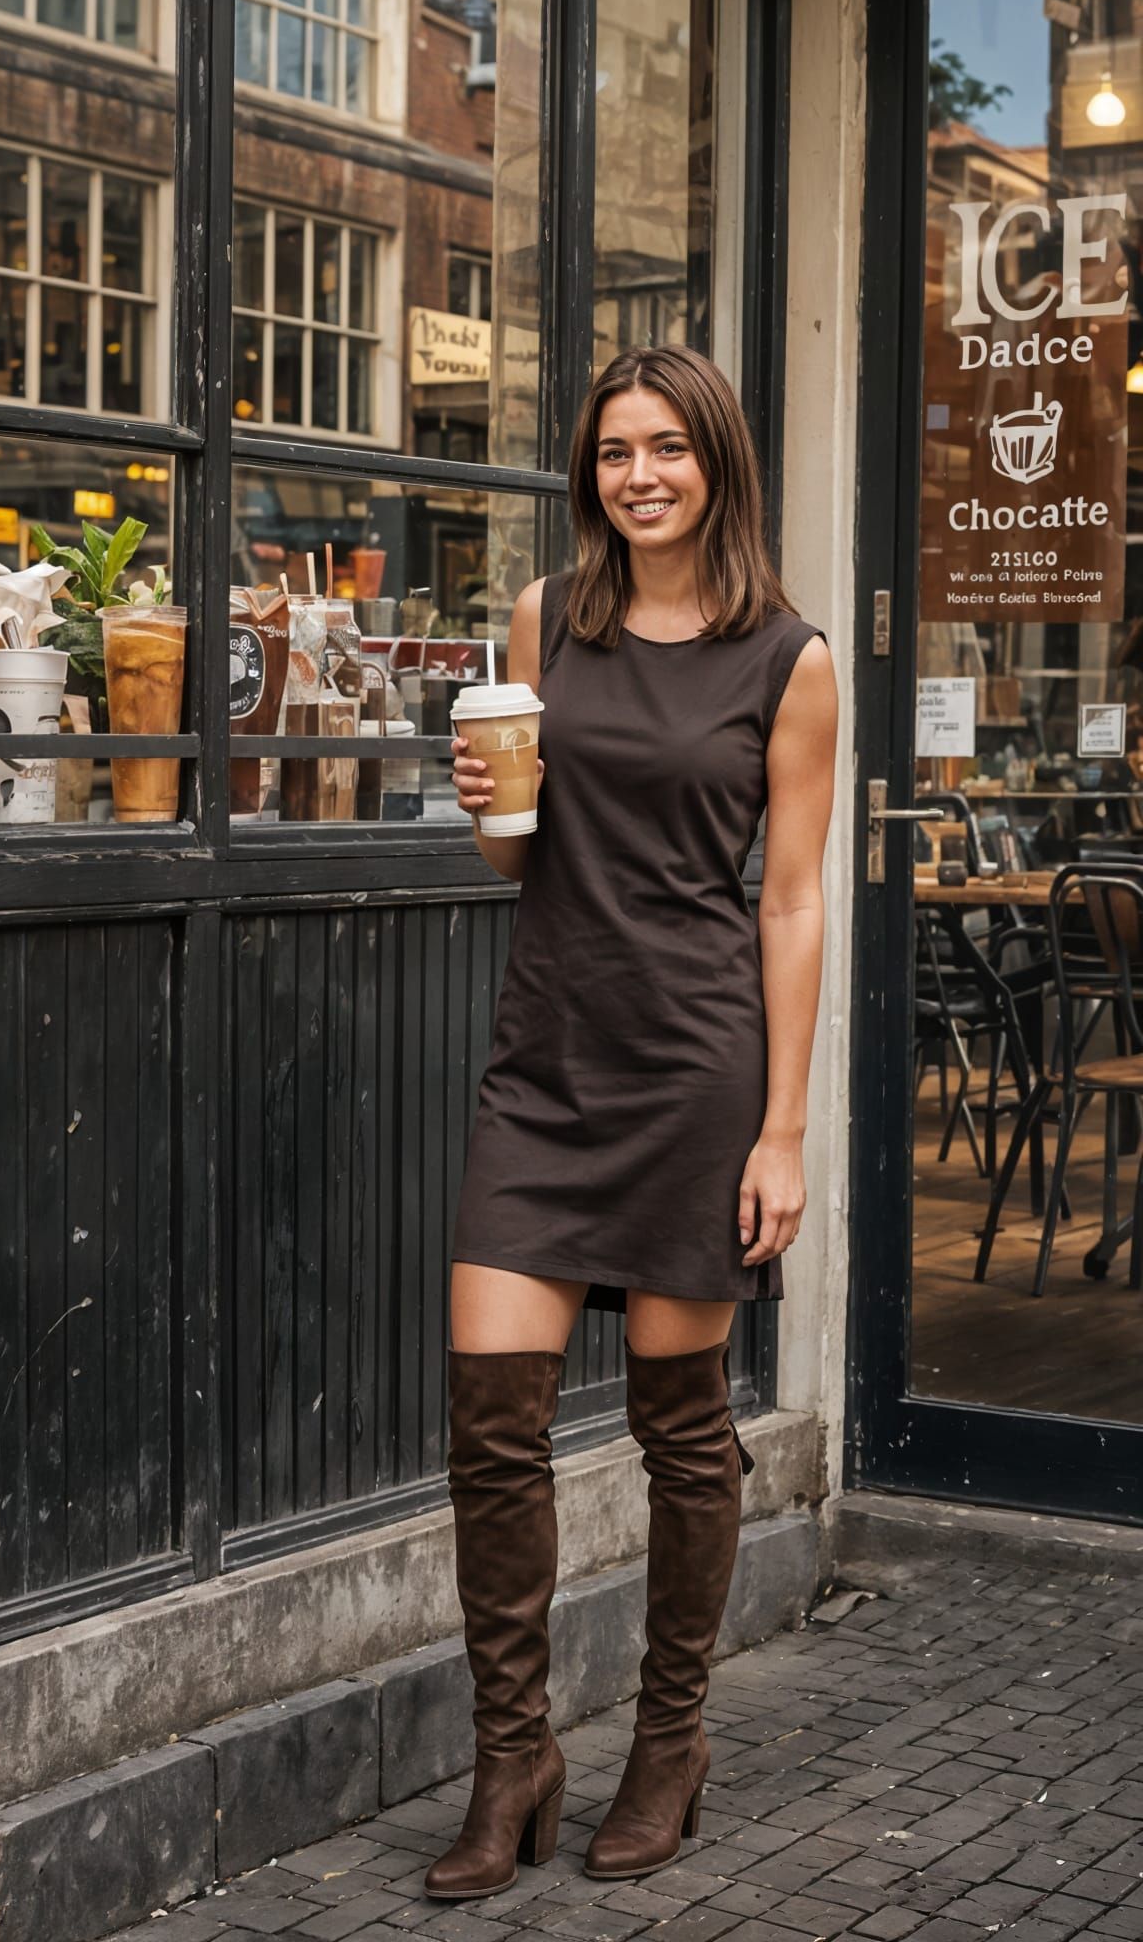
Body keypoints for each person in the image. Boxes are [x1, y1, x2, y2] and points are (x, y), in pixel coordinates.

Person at [425, 346, 837, 1901]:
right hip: (547, 1065)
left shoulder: (788, 659)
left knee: (681, 1429)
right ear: (588, 472)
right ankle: (512, 1756)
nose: (640, 475)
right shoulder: (549, 621)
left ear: (716, 463)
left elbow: (791, 903)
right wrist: (481, 806)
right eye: (614, 452)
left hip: (691, 1071)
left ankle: (671, 1743)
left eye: (668, 448)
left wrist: (783, 1128)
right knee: (492, 1426)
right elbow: (518, 859)